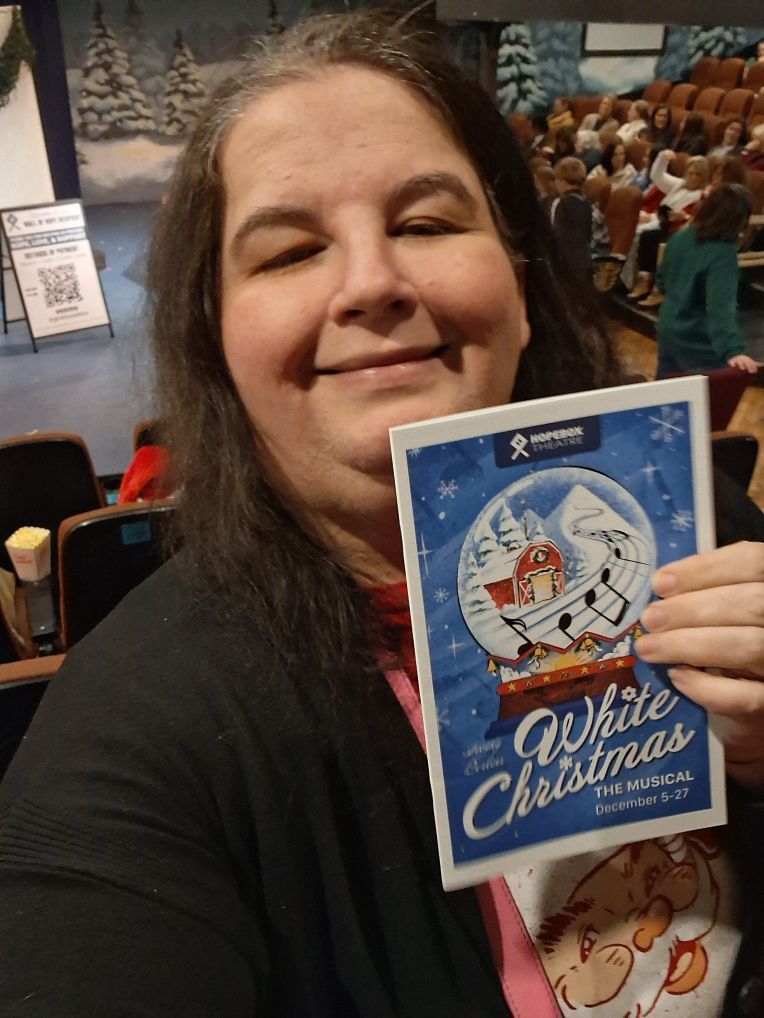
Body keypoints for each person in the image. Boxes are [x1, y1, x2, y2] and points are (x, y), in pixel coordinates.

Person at [1, 12, 763, 1018]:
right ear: (216, 337)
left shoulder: (696, 522)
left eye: (426, 224)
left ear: (519, 288)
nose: (370, 284)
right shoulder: (135, 736)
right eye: (289, 252)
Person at [654, 183, 761, 376]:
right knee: (708, 395)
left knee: (667, 391)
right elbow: (719, 306)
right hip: (696, 341)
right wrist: (733, 350)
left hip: (668, 328)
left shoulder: (680, 237)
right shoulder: (722, 253)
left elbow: (661, 281)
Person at [627, 151, 709, 302]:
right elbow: (657, 176)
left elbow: (703, 220)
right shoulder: (678, 185)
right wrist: (663, 158)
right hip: (663, 225)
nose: (692, 177)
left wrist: (685, 217)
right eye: (690, 173)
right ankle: (643, 280)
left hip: (683, 232)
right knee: (645, 236)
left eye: (697, 174)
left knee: (656, 241)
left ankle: (659, 288)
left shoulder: (703, 196)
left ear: (703, 177)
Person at [550, 156, 593, 274]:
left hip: (566, 265)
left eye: (556, 179)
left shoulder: (562, 204)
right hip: (584, 260)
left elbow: (558, 236)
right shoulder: (586, 203)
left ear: (562, 180)